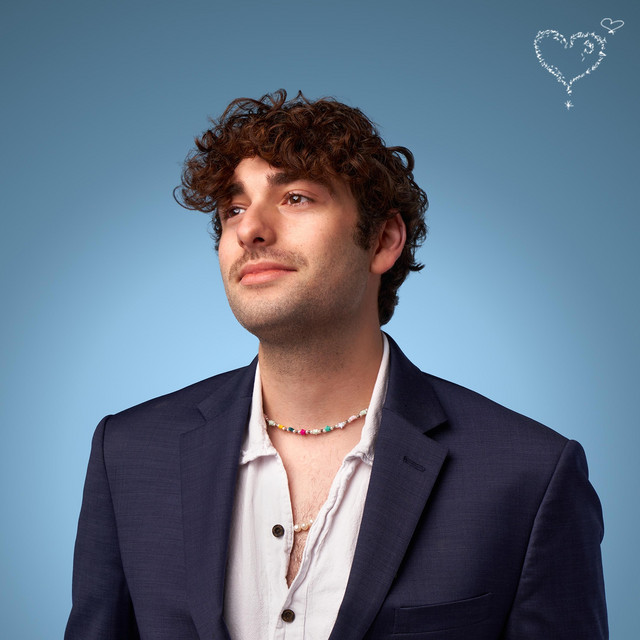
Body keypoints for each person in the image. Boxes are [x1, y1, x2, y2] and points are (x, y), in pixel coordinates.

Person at [65, 90, 607, 640]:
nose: (250, 229)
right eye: (233, 209)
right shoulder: (128, 453)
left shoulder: (529, 477)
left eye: (296, 197)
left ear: (383, 240)